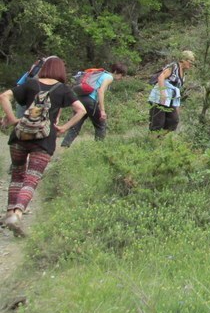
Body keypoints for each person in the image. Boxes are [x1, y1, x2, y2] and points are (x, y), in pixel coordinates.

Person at [1, 56, 86, 236]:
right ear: (61, 70)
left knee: (17, 176)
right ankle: (17, 214)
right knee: (31, 179)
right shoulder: (63, 89)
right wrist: (64, 127)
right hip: (44, 140)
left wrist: (12, 118)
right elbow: (81, 110)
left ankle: (9, 213)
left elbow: (4, 96)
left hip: (20, 136)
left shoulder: (31, 83)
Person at [61, 62, 128, 147]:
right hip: (90, 101)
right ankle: (98, 149)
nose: (121, 78)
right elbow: (100, 91)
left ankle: (64, 147)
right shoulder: (109, 77)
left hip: (80, 99)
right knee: (100, 124)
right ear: (115, 72)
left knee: (76, 125)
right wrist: (102, 111)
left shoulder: (101, 74)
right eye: (121, 75)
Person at [147, 50, 195, 133]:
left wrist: (177, 106)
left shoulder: (183, 73)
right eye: (190, 61)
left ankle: (159, 140)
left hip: (171, 100)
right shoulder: (173, 67)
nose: (191, 64)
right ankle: (152, 143)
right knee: (158, 123)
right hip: (160, 98)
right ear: (183, 60)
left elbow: (177, 89)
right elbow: (161, 77)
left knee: (173, 121)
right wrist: (162, 93)